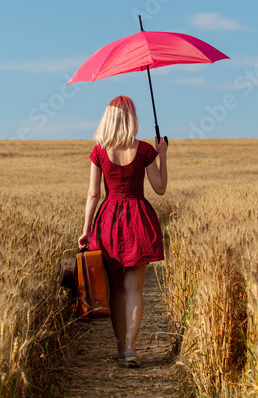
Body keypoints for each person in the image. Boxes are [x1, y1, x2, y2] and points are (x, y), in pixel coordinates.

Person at [78, 95, 168, 368]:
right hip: (138, 219)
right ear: (132, 119)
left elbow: (94, 194)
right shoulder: (144, 151)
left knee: (117, 290)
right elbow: (160, 188)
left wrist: (86, 230)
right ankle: (131, 349)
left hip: (108, 221)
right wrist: (162, 154)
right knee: (135, 289)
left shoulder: (99, 152)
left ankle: (119, 348)